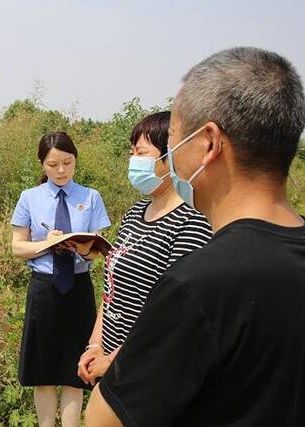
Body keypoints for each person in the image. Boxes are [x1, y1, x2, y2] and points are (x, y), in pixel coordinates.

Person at [86, 47, 305, 427]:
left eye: (175, 142)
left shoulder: (198, 283)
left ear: (210, 143)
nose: (171, 155)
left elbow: (105, 419)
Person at [77, 112, 211, 386]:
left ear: (170, 157)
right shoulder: (135, 213)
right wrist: (94, 345)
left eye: (141, 153)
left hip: (146, 373)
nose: (133, 161)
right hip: (110, 365)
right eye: (131, 152)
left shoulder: (192, 221)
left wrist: (114, 361)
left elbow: (174, 316)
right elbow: (112, 288)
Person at [11, 131, 111, 427]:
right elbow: (17, 246)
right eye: (53, 164)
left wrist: (80, 246)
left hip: (78, 288)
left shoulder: (90, 197)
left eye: (68, 163)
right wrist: (46, 243)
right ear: (42, 164)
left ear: (75, 160)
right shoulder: (29, 197)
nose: (61, 170)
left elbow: (97, 248)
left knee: (74, 369)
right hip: (44, 289)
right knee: (44, 370)